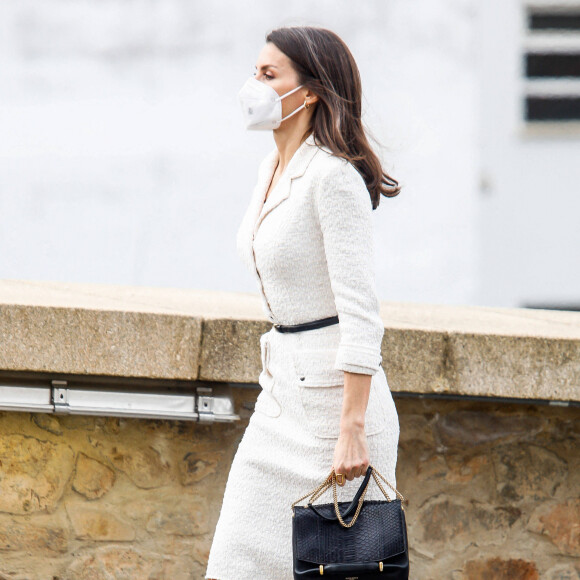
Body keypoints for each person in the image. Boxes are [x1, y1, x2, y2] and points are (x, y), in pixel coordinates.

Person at [205, 25, 402, 580]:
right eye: (255, 72)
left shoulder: (332, 178)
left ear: (310, 90)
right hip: (279, 402)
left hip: (335, 416)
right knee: (233, 565)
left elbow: (361, 314)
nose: (254, 85)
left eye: (269, 75)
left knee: (337, 572)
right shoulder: (272, 168)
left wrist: (353, 428)